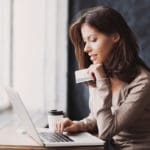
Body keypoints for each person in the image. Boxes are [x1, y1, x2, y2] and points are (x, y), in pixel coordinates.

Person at [56, 6, 150, 149]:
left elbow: (106, 130)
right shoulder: (104, 70)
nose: (86, 49)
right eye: (84, 42)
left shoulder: (143, 82)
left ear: (115, 36)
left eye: (93, 40)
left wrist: (102, 81)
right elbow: (99, 117)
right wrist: (79, 125)